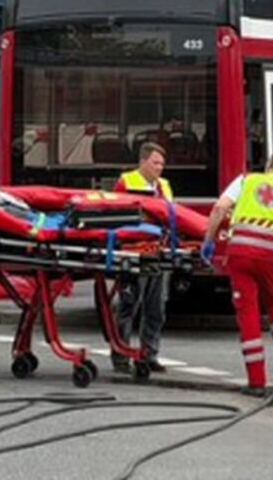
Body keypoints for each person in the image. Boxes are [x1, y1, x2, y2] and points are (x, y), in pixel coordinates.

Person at [201, 150, 273, 397]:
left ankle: (257, 381)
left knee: (247, 313)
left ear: (270, 164)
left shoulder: (246, 180)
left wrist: (208, 241)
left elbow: (219, 209)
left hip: (240, 256)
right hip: (271, 259)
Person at [111, 141, 173, 374]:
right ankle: (121, 355)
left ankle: (149, 355)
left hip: (158, 252)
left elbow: (171, 215)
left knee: (156, 307)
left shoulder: (164, 185)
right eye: (155, 163)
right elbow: (115, 214)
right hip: (133, 252)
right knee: (128, 304)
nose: (160, 168)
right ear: (143, 162)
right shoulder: (127, 181)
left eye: (162, 164)